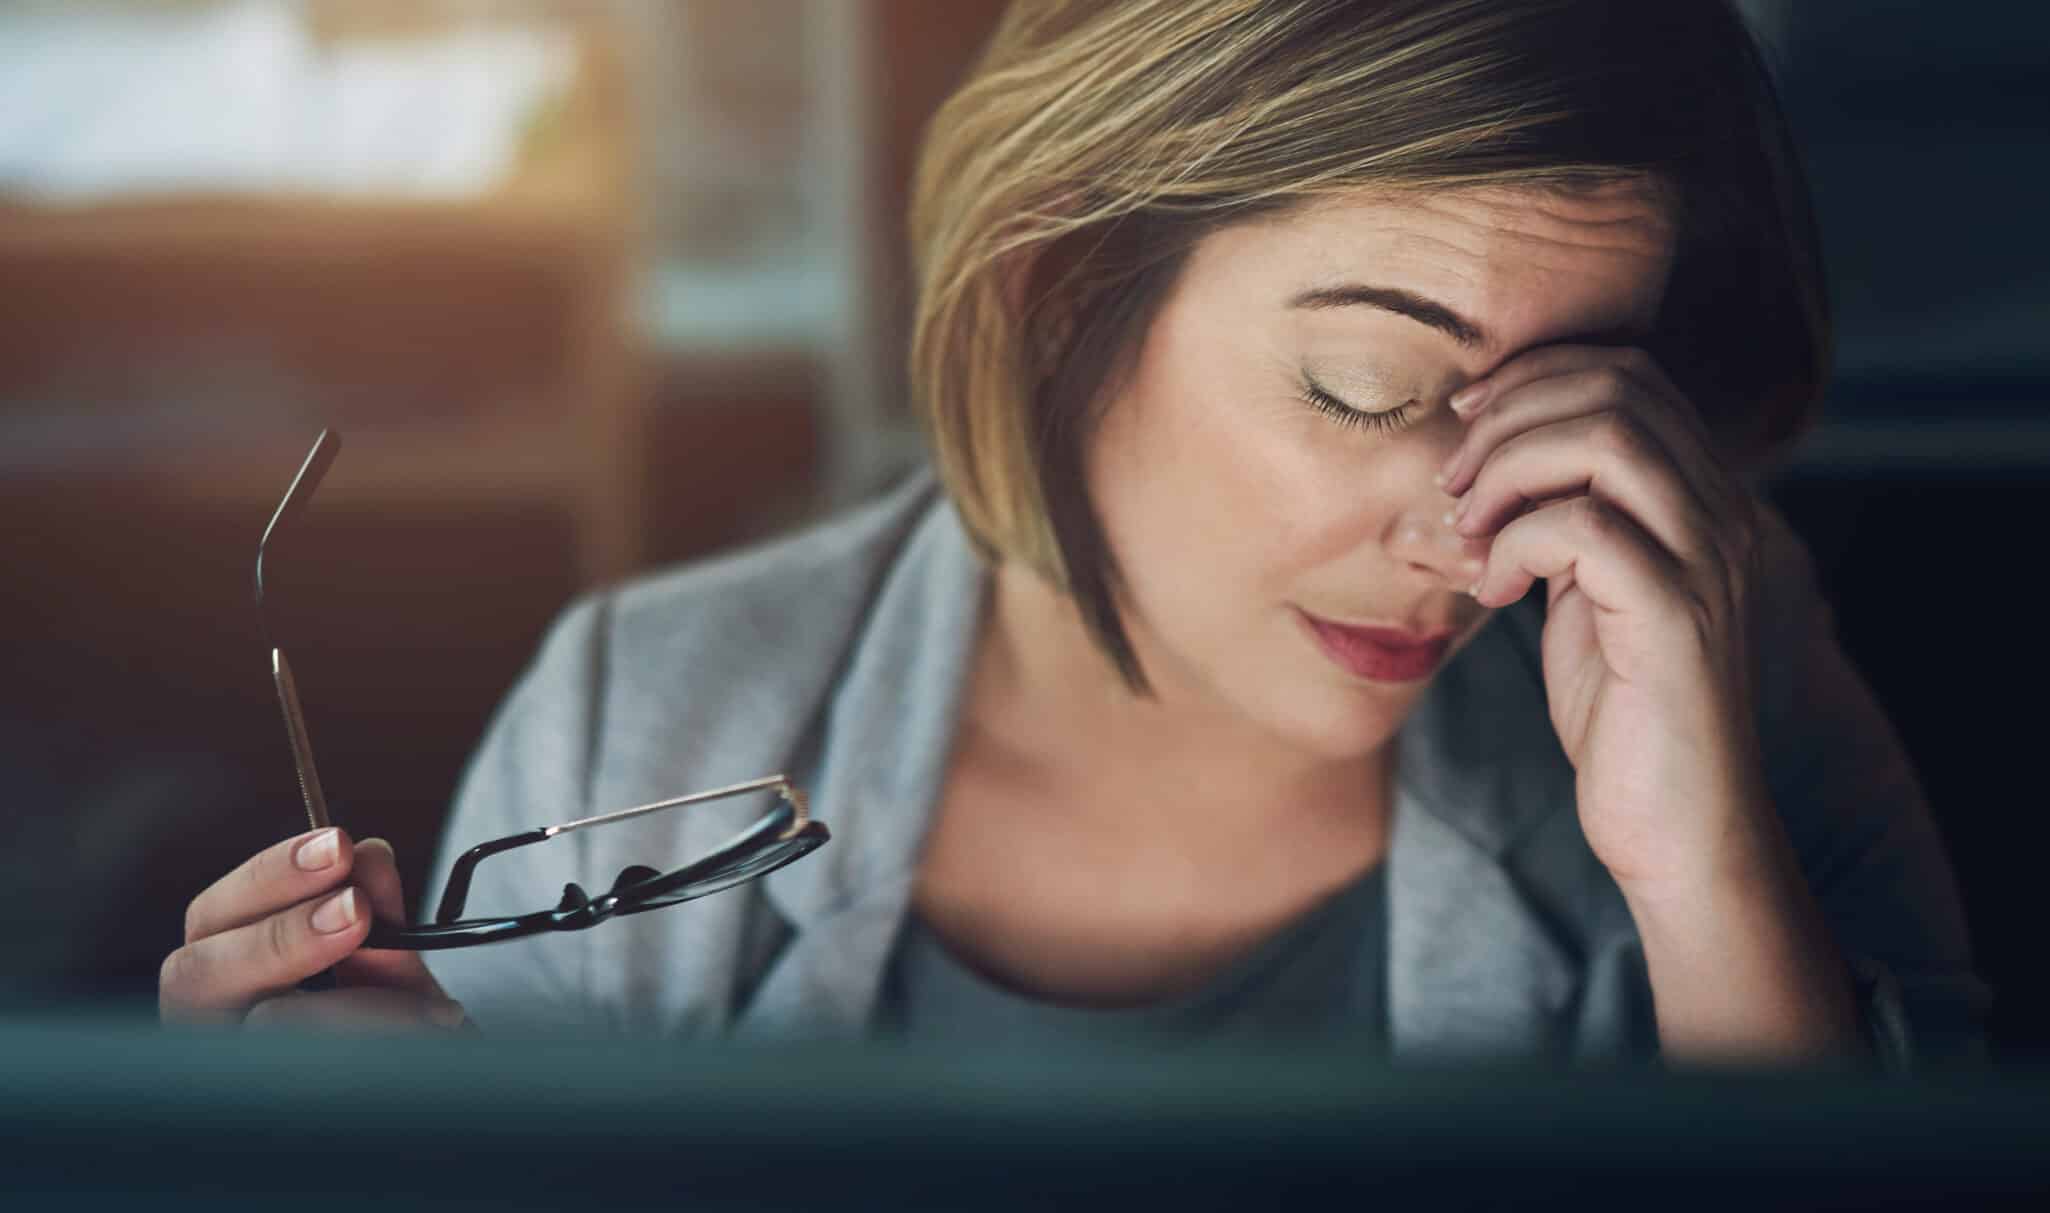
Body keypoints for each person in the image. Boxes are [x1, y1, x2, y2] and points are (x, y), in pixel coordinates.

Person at [160, 0, 1984, 1064]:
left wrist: (1703, 879)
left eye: (1577, 398)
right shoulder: (651, 714)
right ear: (1055, 303)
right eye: (1362, 382)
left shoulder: (1718, 642)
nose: (1481, 538)